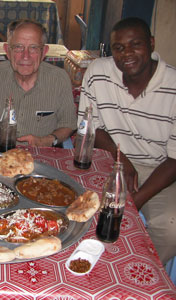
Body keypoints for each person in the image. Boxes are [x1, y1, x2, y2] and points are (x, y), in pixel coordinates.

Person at [78, 17, 176, 266]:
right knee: (78, 208)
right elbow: (90, 129)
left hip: (161, 170)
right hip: (110, 161)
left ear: (151, 44)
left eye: (136, 44)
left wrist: (135, 201)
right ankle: (92, 266)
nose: (127, 54)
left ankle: (144, 273)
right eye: (118, 48)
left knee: (170, 227)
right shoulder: (98, 72)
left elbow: (174, 160)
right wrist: (121, 159)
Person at [0, 19, 77, 147]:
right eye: (18, 47)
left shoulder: (59, 79)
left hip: (39, 156)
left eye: (33, 48)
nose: (25, 56)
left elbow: (68, 124)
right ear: (7, 51)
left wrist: (46, 140)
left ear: (44, 52)